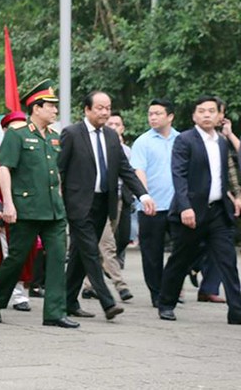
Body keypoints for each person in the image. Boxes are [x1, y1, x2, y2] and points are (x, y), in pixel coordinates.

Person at [0, 79, 76, 328]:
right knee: (16, 258)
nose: (55, 111)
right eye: (51, 106)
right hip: (27, 210)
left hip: (54, 210)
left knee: (57, 259)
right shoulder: (18, 135)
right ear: (36, 107)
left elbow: (56, 173)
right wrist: (8, 204)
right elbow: (5, 169)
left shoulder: (55, 138)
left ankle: (55, 313)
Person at [58, 91, 154, 321]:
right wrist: (59, 201)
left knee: (80, 254)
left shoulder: (111, 136)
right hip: (78, 203)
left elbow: (125, 170)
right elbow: (59, 169)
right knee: (91, 250)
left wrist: (144, 195)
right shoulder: (72, 133)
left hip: (103, 204)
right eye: (99, 108)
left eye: (107, 108)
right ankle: (107, 301)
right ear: (87, 110)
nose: (104, 112)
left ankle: (67, 302)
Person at [158, 95, 241, 324]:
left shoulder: (222, 142)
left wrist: (235, 196)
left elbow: (224, 176)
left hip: (217, 212)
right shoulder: (185, 140)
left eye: (211, 111)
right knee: (180, 259)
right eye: (202, 111)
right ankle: (166, 303)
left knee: (227, 260)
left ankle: (236, 311)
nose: (207, 115)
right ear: (194, 115)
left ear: (219, 115)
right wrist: (185, 207)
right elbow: (179, 175)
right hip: (191, 212)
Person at [130, 99, 179, 307]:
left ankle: (170, 288)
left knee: (184, 249)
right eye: (150, 114)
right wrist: (145, 196)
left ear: (170, 116)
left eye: (158, 113)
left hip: (178, 206)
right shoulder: (143, 141)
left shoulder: (182, 139)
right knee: (152, 254)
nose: (153, 117)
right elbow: (138, 170)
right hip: (151, 207)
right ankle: (157, 294)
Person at [81, 113, 135, 300]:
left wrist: (142, 195)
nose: (112, 126)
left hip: (117, 200)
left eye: (117, 124)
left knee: (103, 244)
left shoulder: (125, 150)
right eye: (110, 123)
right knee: (107, 244)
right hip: (95, 202)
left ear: (122, 128)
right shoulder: (92, 144)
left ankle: (89, 285)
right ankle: (121, 286)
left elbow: (129, 174)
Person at [0, 111, 37, 311]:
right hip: (7, 213)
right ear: (6, 131)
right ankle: (16, 295)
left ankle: (5, 285)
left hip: (29, 211)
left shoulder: (31, 151)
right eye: (14, 128)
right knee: (11, 254)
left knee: (26, 254)